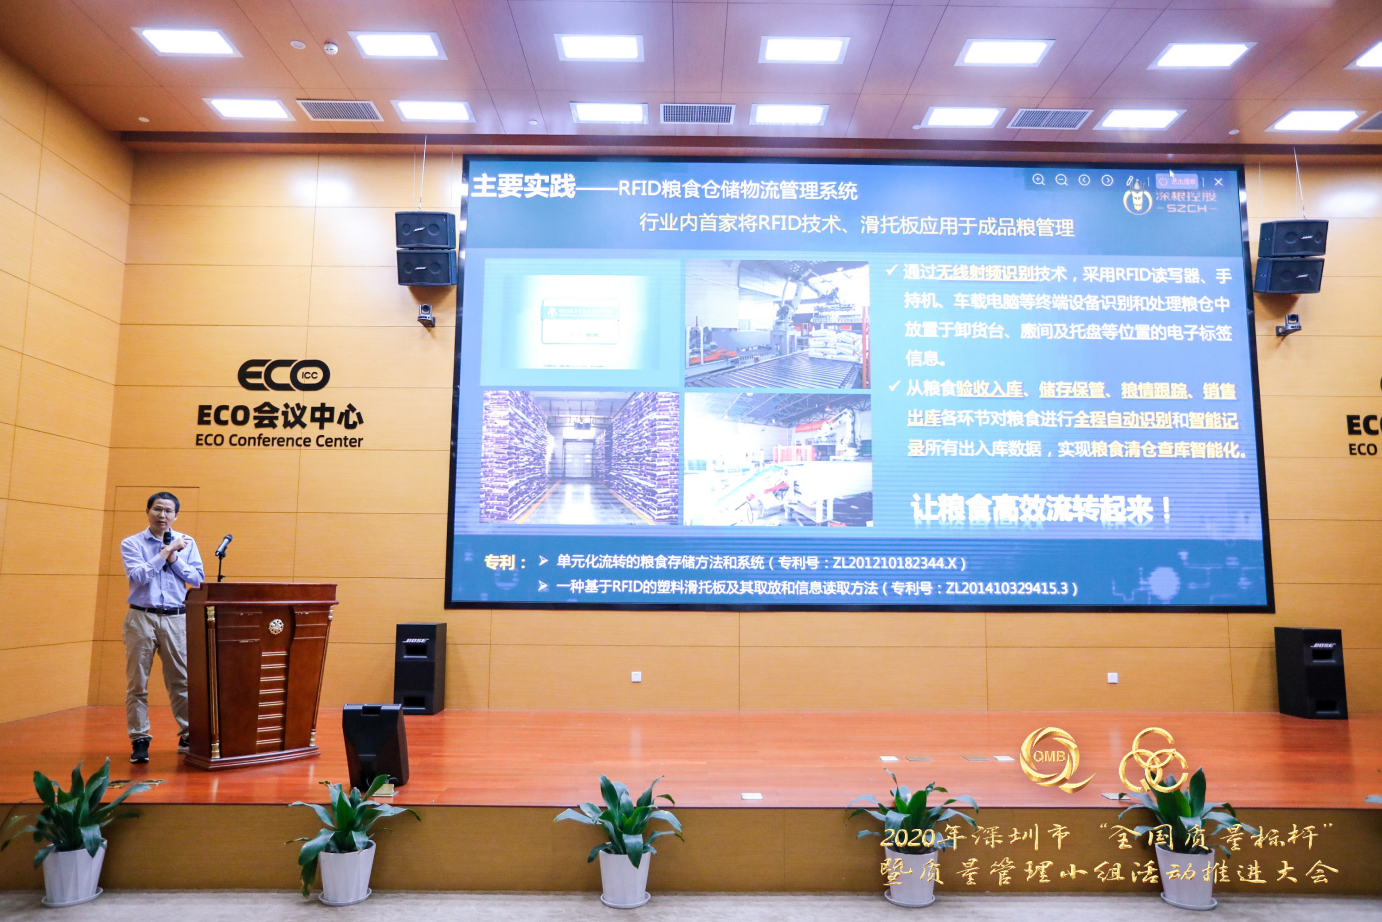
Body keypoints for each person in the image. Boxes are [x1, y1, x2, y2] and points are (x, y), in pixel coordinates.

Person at [120, 491, 204, 764]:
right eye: (157, 509)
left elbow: (198, 579)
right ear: (148, 512)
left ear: (176, 515)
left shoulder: (187, 543)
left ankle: (188, 735)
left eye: (168, 511)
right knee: (137, 683)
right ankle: (139, 738)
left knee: (182, 681)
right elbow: (139, 576)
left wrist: (175, 559)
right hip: (141, 617)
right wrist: (167, 551)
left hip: (177, 618)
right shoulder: (131, 543)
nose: (162, 515)